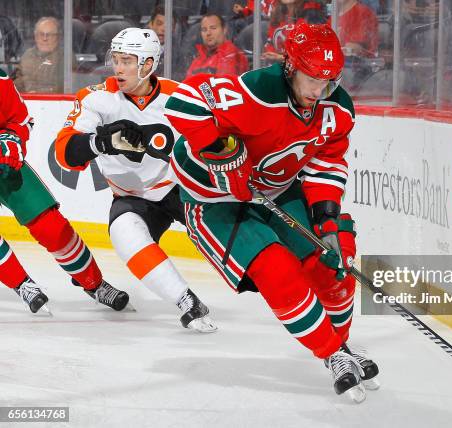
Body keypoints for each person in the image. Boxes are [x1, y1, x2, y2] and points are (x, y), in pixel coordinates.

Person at [165, 22, 379, 401]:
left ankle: (340, 349)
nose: (318, 91)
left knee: (334, 264)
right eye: (311, 79)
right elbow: (182, 103)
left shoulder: (337, 107)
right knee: (277, 270)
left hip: (275, 190)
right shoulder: (259, 91)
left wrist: (327, 219)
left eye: (328, 81)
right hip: (215, 200)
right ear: (290, 68)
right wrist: (223, 152)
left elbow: (327, 164)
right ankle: (331, 354)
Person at [54, 28, 217, 333]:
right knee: (124, 234)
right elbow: (64, 153)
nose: (118, 67)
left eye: (127, 60)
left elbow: (213, 141)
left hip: (180, 189)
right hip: (132, 197)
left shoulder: (178, 95)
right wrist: (100, 142)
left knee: (232, 238)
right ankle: (187, 301)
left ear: (148, 64)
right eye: (115, 59)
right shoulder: (95, 98)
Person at [0, 68, 130, 313]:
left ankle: (94, 284)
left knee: (51, 226)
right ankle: (23, 284)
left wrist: (11, 140)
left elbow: (19, 120)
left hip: (3, 163)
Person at [185, 14, 249, 79]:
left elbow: (223, 85)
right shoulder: (198, 58)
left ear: (224, 30)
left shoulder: (232, 55)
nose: (208, 33)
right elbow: (186, 85)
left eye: (213, 28)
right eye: (204, 30)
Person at [12, 17, 64, 93]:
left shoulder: (65, 58)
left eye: (49, 35)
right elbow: (14, 82)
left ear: (58, 37)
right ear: (35, 37)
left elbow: (63, 87)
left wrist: (36, 89)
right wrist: (25, 81)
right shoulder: (28, 55)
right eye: (41, 34)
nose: (44, 38)